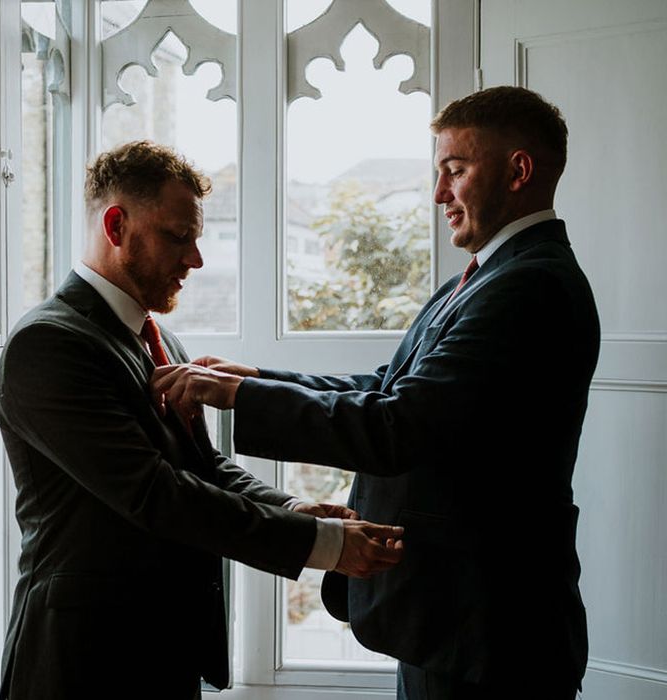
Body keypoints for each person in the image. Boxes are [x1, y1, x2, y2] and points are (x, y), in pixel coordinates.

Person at [151, 87, 601, 700]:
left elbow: (397, 425)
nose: (439, 194)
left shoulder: (529, 287)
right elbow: (390, 389)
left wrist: (237, 400)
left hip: (486, 629)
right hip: (451, 621)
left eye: (455, 171)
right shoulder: (487, 277)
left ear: (519, 170)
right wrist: (254, 380)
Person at [0, 141, 405, 700]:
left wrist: (290, 505)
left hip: (165, 649)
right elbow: (153, 494)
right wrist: (323, 544)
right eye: (178, 236)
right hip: (83, 657)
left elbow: (202, 465)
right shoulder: (48, 344)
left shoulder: (159, 339)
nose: (196, 259)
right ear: (116, 224)